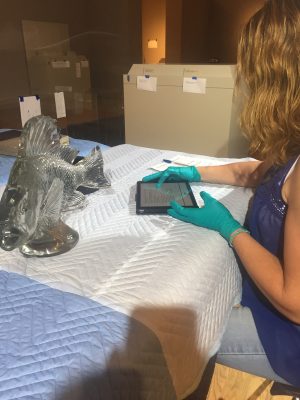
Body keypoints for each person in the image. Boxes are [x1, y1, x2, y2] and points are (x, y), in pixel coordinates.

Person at [142, 0, 300, 387]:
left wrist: (229, 228)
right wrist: (193, 170)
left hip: (289, 339)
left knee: (168, 335)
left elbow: (294, 301)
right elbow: (258, 171)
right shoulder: (294, 146)